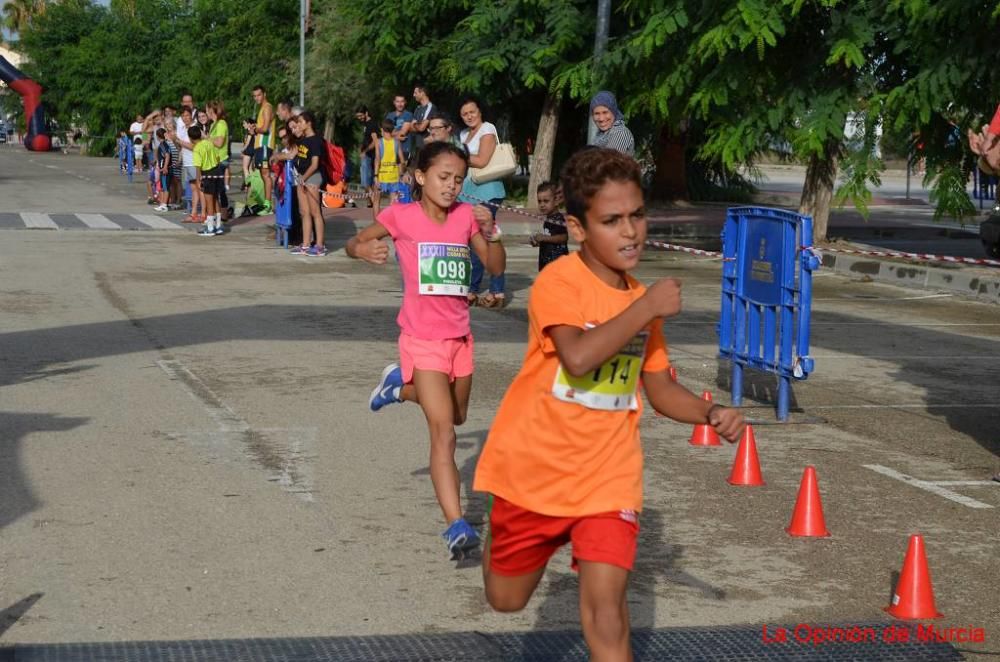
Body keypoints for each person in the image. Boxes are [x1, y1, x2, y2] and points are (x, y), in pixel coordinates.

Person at [474, 148, 744, 660]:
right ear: (577, 228)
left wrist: (709, 412)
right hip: (532, 471)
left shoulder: (643, 302)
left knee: (607, 611)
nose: (630, 232)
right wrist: (644, 308)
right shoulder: (560, 283)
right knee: (505, 600)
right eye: (612, 220)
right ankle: (505, 535)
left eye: (637, 215)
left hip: (607, 474)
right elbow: (576, 357)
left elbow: (659, 388)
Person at [346, 141, 506, 559]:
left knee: (456, 415)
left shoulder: (465, 219)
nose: (452, 186)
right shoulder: (401, 216)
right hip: (421, 340)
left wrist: (492, 233)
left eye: (458, 179)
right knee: (444, 432)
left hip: (460, 340)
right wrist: (363, 249)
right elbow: (355, 241)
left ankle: (398, 388)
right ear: (420, 177)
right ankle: (455, 523)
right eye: (443, 177)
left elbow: (494, 267)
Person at [457, 96, 507, 308]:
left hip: (487, 193)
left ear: (480, 111)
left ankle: (495, 290)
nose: (469, 116)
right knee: (473, 241)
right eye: (465, 114)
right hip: (468, 194)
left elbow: (483, 160)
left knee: (487, 238)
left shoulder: (488, 129)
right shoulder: (462, 134)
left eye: (472, 111)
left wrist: (457, 153)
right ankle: (473, 288)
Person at [290, 111, 327, 257]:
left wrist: (304, 178)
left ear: (309, 123)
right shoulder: (303, 140)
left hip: (312, 178)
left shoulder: (316, 140)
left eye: (300, 122)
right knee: (304, 213)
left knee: (315, 212)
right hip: (302, 178)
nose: (298, 125)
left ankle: (319, 245)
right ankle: (305, 245)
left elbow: (315, 164)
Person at [190, 125, 223, 236]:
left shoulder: (197, 149)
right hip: (217, 171)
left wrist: (198, 180)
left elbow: (198, 166)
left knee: (209, 200)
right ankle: (218, 226)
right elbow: (218, 158)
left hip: (207, 173)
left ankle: (210, 228)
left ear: (190, 138)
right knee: (215, 198)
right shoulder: (209, 143)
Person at [530, 180, 569, 271]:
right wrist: (538, 241)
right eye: (539, 201)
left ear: (556, 201)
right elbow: (550, 238)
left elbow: (563, 237)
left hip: (557, 265)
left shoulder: (558, 219)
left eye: (546, 201)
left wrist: (544, 238)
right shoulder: (548, 219)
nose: (542, 205)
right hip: (547, 263)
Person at [252, 85, 277, 214]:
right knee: (263, 174)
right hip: (260, 145)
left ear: (264, 94)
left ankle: (268, 205)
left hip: (265, 145)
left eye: (259, 95)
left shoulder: (267, 107)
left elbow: (266, 128)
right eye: (255, 96)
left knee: (266, 174)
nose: (257, 98)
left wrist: (255, 129)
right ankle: (266, 203)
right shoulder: (262, 108)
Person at [373, 118, 405, 219]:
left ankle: (376, 223)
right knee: (393, 202)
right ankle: (392, 223)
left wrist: (375, 175)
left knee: (376, 200)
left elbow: (377, 159)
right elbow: (402, 161)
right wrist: (401, 174)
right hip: (394, 175)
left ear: (383, 130)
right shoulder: (396, 142)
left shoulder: (378, 142)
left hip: (382, 175)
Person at [588, 91, 635, 157]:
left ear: (613, 111)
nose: (601, 119)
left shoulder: (620, 133)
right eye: (596, 113)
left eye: (605, 112)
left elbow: (609, 164)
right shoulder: (601, 135)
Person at [206, 100, 231, 218]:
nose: (206, 112)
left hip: (220, 159)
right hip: (213, 159)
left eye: (207, 110)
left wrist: (206, 137)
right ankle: (218, 214)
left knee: (219, 190)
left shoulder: (221, 124)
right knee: (216, 189)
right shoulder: (213, 124)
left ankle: (222, 214)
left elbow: (219, 142)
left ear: (211, 110)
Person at [355, 106, 380, 208]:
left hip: (370, 155)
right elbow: (367, 139)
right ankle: (370, 202)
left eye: (361, 115)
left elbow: (375, 141)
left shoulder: (372, 124)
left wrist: (365, 151)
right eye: (358, 116)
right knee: (366, 180)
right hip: (366, 155)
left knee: (366, 181)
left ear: (366, 113)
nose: (359, 118)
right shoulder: (365, 124)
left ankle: (374, 201)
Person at [385, 94, 414, 160]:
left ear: (405, 102)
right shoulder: (389, 115)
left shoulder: (408, 115)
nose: (400, 104)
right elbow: (384, 133)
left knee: (403, 170)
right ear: (394, 102)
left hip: (404, 149)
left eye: (402, 101)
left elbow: (403, 132)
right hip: (391, 149)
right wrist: (395, 137)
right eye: (397, 101)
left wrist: (390, 135)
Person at [411, 85, 435, 151]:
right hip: (418, 146)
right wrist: (417, 125)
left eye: (415, 93)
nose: (413, 95)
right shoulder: (418, 108)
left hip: (428, 147)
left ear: (423, 93)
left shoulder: (430, 107)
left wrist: (414, 124)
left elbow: (421, 128)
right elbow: (411, 128)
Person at [153, 128, 172, 212]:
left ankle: (164, 205)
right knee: (164, 187)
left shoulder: (163, 145)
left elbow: (167, 155)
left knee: (165, 187)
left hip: (165, 169)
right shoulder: (164, 144)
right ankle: (163, 203)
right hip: (163, 168)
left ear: (157, 136)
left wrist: (165, 167)